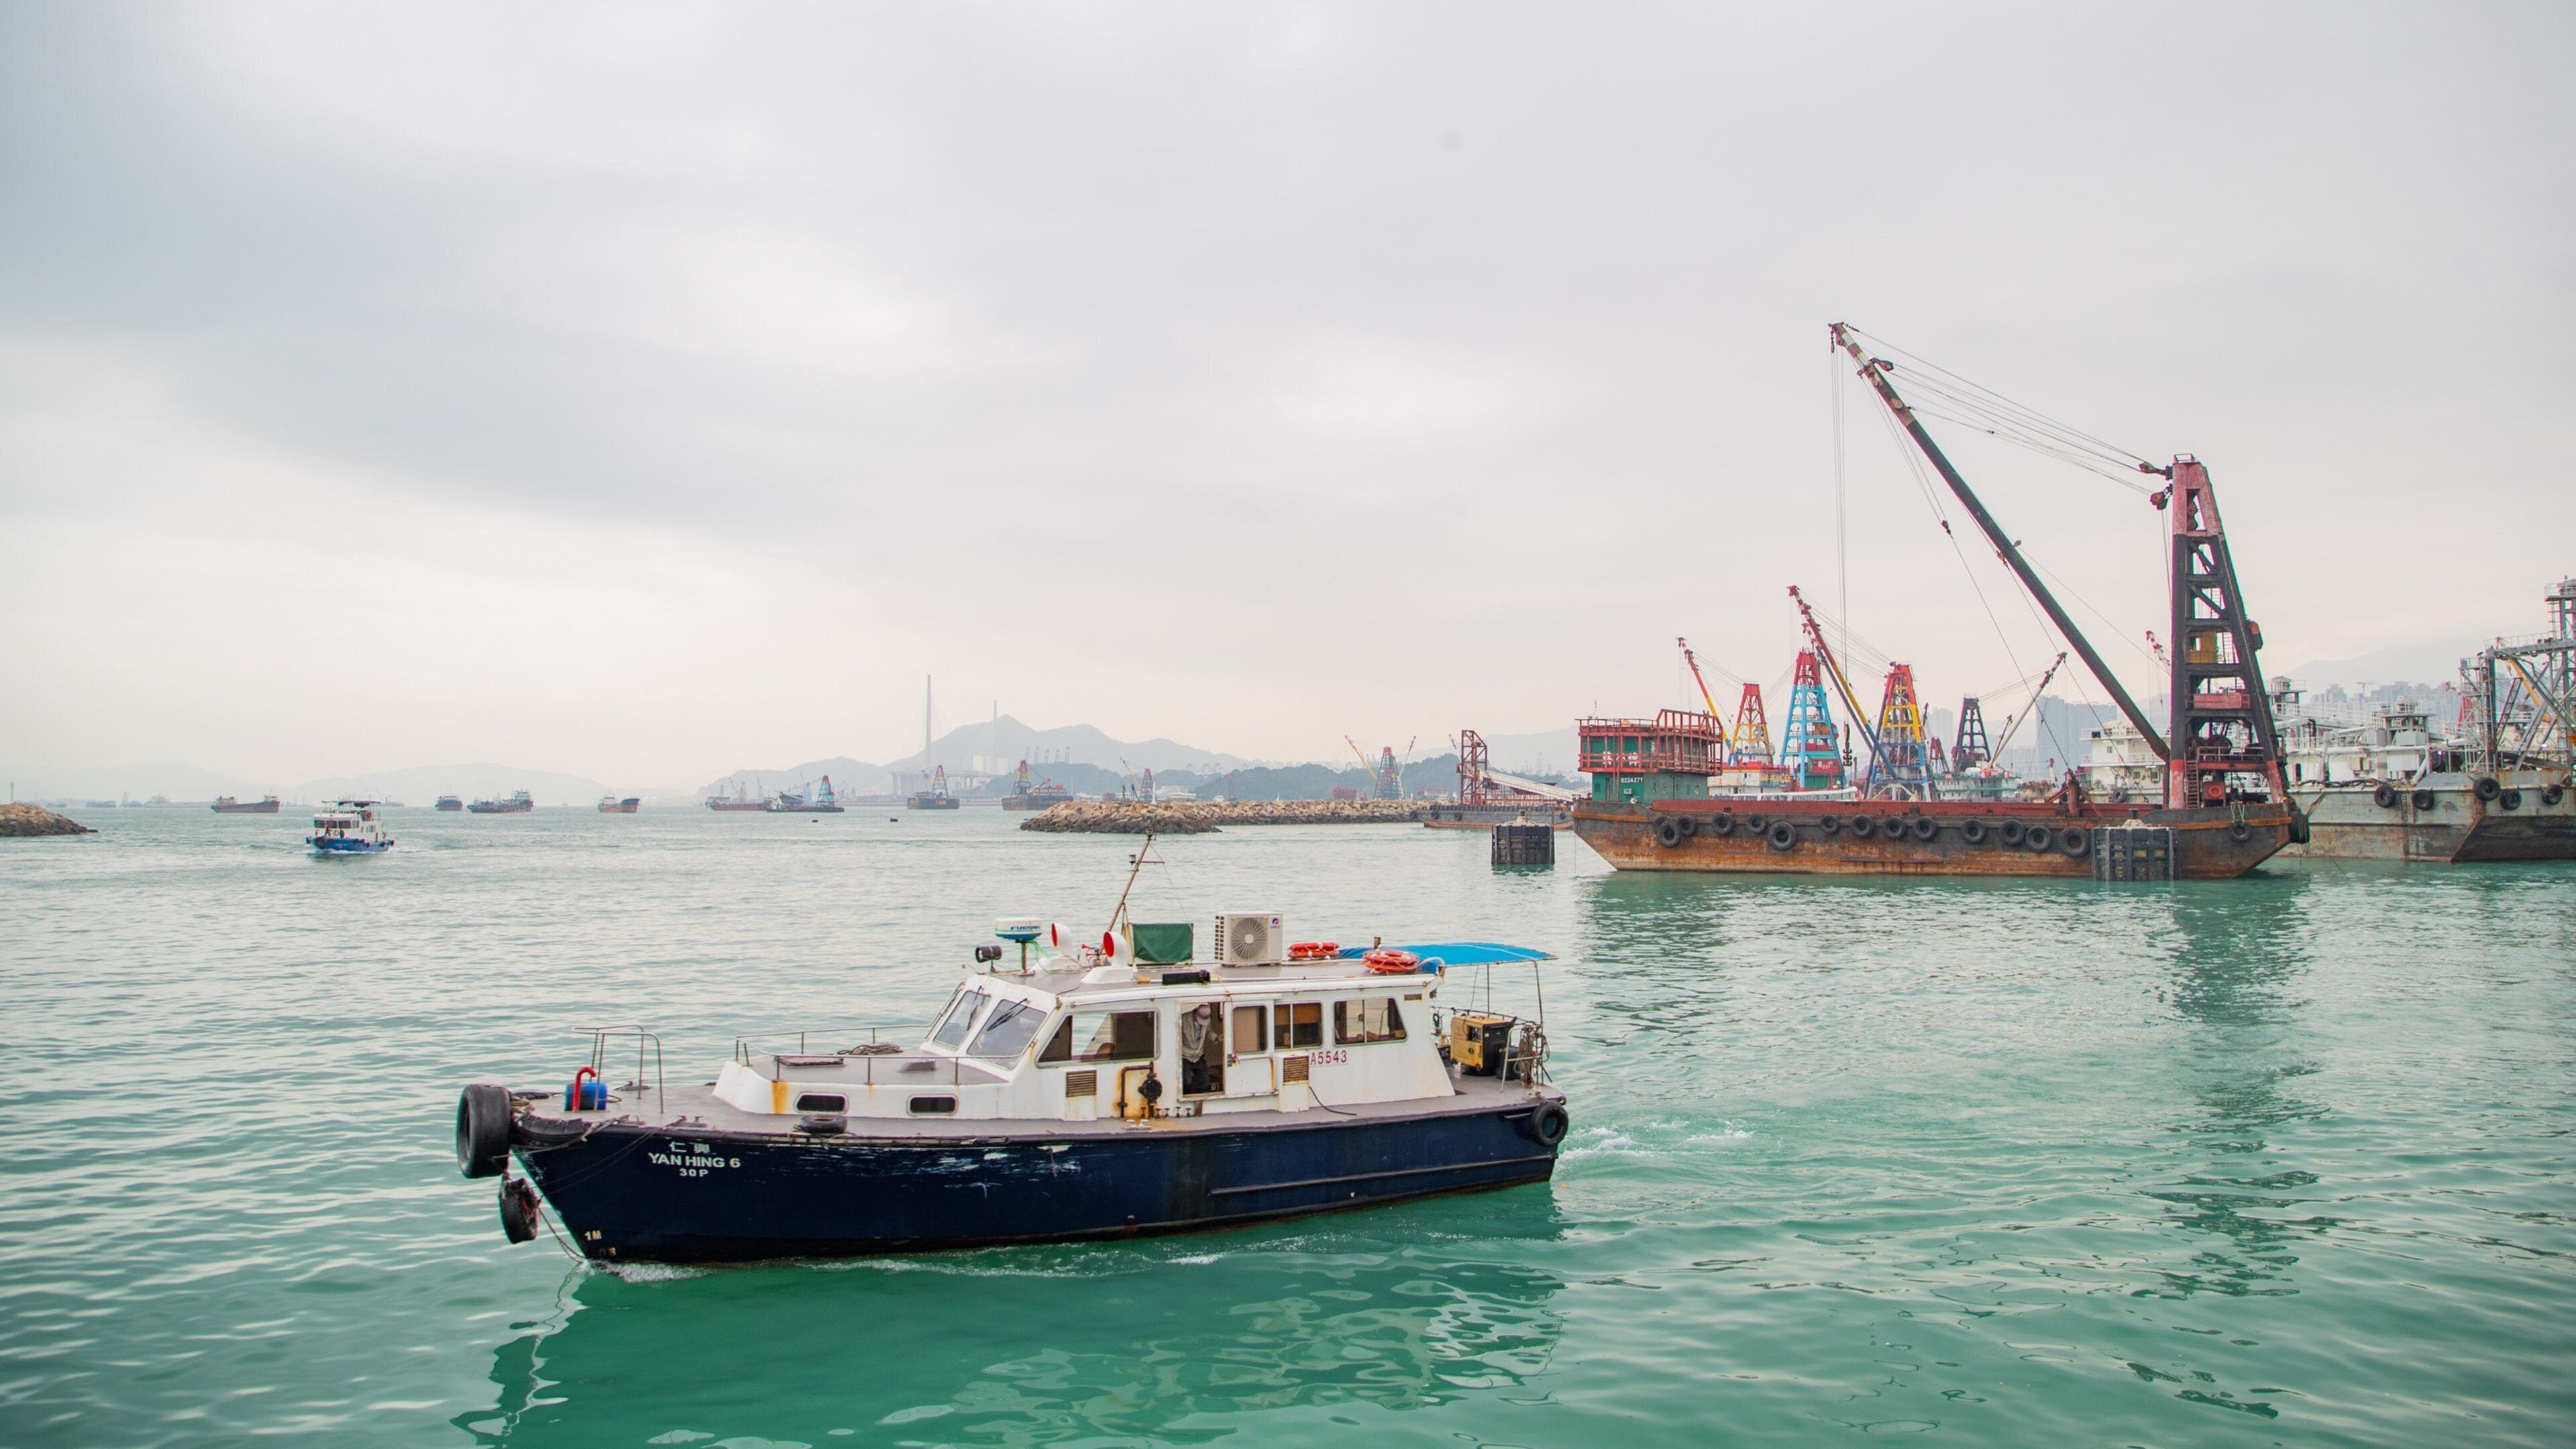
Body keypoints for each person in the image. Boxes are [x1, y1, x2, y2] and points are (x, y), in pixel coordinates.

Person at [1179, 1003, 1220, 1094]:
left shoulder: (1207, 1021)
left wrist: (1216, 1037)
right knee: (1186, 1082)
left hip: (1199, 1055)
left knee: (1205, 1080)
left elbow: (1209, 1031)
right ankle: (1186, 1097)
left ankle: (1203, 1100)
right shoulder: (1183, 1019)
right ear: (1195, 1014)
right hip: (1184, 1055)